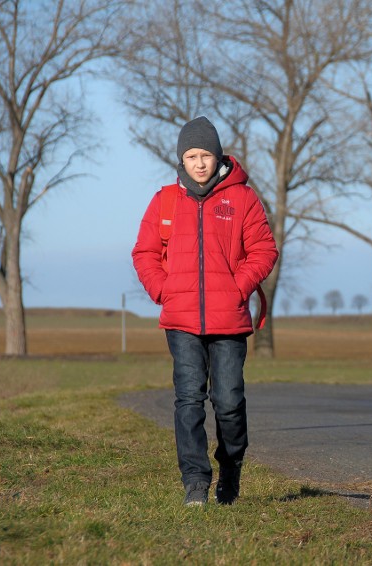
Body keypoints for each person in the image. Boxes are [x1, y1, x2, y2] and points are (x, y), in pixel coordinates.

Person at [132, 116, 278, 507]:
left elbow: (264, 250)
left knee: (229, 402)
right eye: (192, 156)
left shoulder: (243, 198)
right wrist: (164, 291)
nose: (199, 163)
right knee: (188, 401)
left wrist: (237, 287)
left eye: (206, 155)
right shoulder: (164, 200)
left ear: (218, 157)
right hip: (181, 321)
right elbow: (144, 253)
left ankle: (231, 471)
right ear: (182, 159)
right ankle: (195, 482)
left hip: (228, 319)